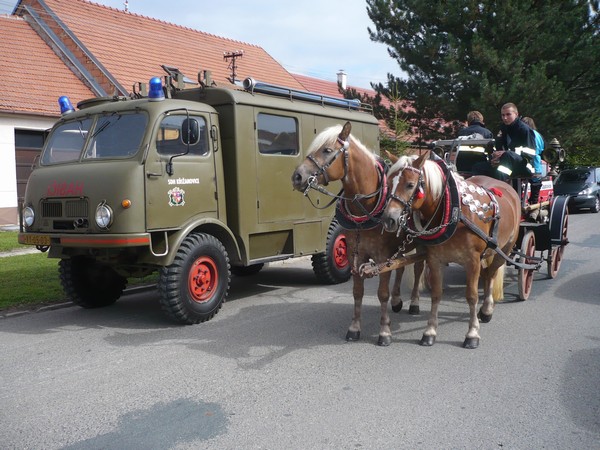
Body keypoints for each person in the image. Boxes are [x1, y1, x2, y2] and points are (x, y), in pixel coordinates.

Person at [472, 103, 536, 181]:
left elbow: (530, 153)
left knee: (507, 156)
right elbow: (499, 147)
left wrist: (505, 153)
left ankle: (500, 187)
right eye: (503, 115)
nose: (505, 118)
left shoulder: (524, 129)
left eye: (508, 114)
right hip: (505, 162)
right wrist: (495, 157)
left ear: (516, 114)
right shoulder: (504, 128)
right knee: (478, 167)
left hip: (524, 166)